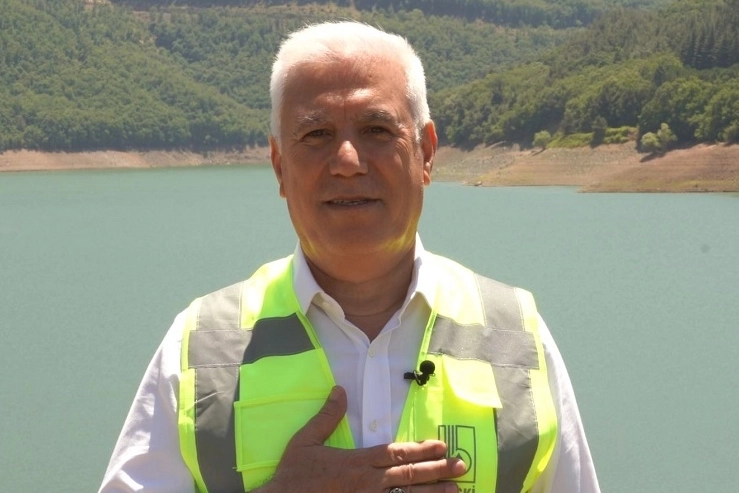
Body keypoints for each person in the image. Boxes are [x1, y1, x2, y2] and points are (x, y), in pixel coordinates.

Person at [99, 21, 600, 493]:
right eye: (316, 134)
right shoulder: (201, 346)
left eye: (376, 130)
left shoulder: (517, 336)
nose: (347, 161)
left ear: (426, 153)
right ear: (279, 166)